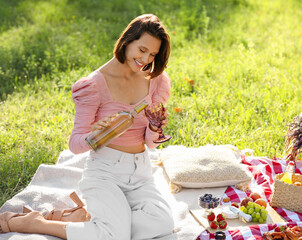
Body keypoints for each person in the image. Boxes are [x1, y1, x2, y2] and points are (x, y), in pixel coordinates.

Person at [0, 14, 174, 240]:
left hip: (140, 173)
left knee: (161, 224)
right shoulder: (93, 85)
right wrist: (97, 135)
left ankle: (87, 219)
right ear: (126, 41)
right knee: (115, 236)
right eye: (141, 50)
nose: (145, 59)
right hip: (105, 173)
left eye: (152, 54)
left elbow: (150, 143)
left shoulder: (157, 81)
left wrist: (154, 126)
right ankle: (34, 223)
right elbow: (75, 144)